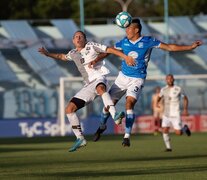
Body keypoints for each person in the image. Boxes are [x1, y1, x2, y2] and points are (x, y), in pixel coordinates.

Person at [91, 18, 202, 146]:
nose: (126, 30)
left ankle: (127, 136)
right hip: (122, 78)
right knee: (108, 105)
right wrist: (96, 60)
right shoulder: (124, 42)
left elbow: (169, 47)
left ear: (136, 30)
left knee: (129, 104)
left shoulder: (148, 41)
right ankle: (102, 126)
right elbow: (109, 51)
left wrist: (190, 47)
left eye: (129, 28)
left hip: (137, 78)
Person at [38, 30, 135, 152]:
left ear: (85, 39)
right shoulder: (72, 53)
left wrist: (125, 57)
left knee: (100, 88)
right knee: (69, 109)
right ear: (73, 41)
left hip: (99, 77)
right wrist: (48, 54)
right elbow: (61, 56)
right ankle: (80, 138)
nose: (78, 38)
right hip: (88, 85)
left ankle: (115, 115)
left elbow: (109, 49)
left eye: (81, 37)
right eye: (76, 37)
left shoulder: (91, 46)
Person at [157, 74, 191, 152]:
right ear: (166, 80)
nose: (169, 80)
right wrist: (157, 103)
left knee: (178, 133)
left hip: (176, 114)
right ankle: (168, 147)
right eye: (168, 79)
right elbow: (159, 97)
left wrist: (185, 109)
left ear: (173, 79)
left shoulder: (178, 89)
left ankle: (185, 128)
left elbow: (185, 99)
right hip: (166, 114)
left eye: (171, 78)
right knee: (165, 130)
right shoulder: (163, 89)